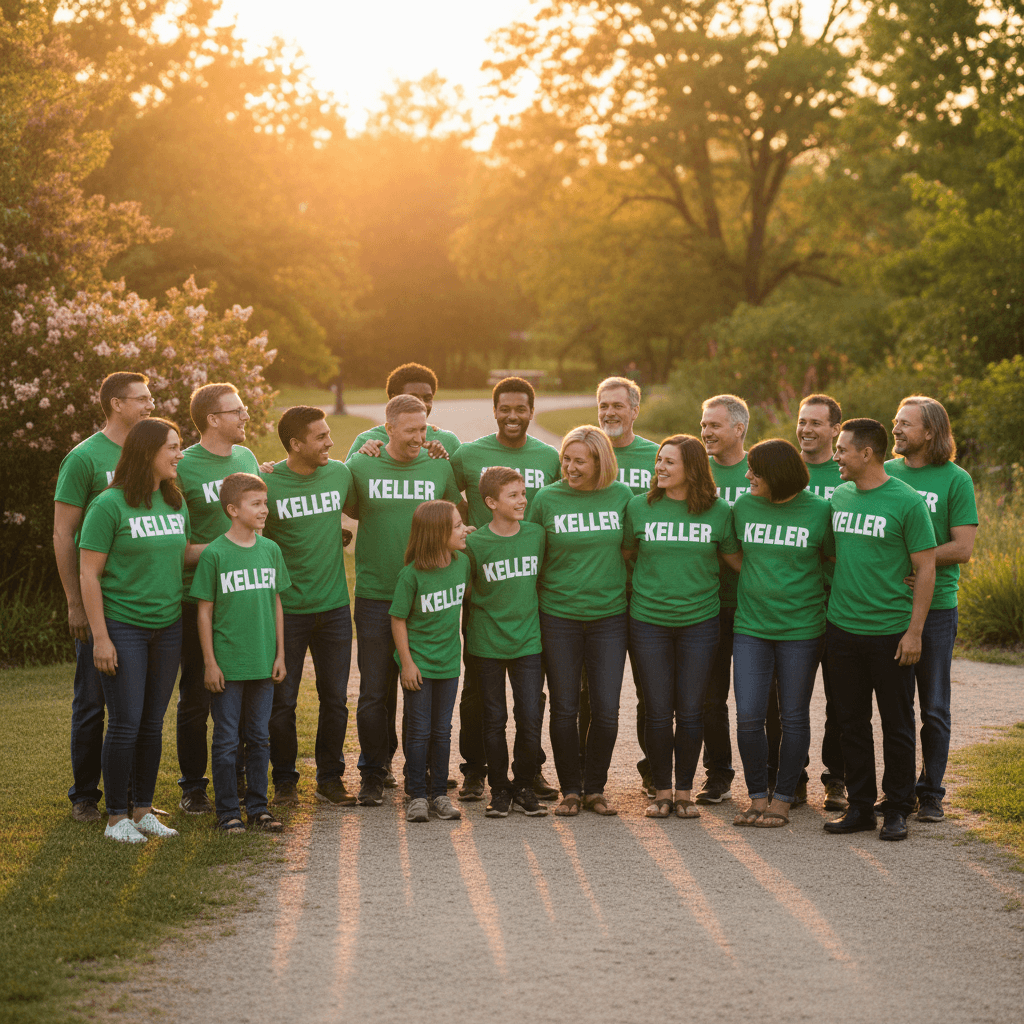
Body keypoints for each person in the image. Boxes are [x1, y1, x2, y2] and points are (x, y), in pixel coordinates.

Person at [78, 417, 201, 843]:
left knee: (151, 723)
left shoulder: (174, 501)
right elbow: (89, 574)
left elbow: (182, 553)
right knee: (126, 722)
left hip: (167, 627)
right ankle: (116, 819)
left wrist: (239, 543)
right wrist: (101, 637)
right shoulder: (108, 505)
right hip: (122, 626)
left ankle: (143, 810)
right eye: (172, 446)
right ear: (147, 451)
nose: (179, 454)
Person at [346, 394, 463, 806]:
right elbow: (346, 506)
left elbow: (456, 518)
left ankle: (426, 775)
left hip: (430, 597)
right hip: (378, 594)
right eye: (410, 429)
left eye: (424, 429)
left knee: (424, 685)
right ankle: (374, 773)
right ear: (388, 428)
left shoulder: (438, 465)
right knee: (375, 692)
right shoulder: (361, 463)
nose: (419, 436)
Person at [824, 418, 937, 842]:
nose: (836, 456)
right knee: (851, 722)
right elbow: (833, 556)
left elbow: (925, 568)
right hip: (842, 630)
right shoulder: (838, 496)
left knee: (897, 724)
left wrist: (915, 632)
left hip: (890, 632)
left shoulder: (906, 502)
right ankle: (859, 807)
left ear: (866, 453)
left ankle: (896, 808)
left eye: (842, 449)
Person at [450, 376, 560, 801]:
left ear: (532, 411)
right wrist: (466, 531)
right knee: (478, 691)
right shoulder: (469, 454)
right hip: (484, 581)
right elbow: (448, 495)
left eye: (521, 409)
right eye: (504, 409)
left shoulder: (549, 456)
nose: (512, 416)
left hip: (524, 591)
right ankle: (477, 769)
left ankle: (530, 772)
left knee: (532, 698)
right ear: (494, 410)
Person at [54, 371, 154, 822]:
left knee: (134, 707)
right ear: (116, 403)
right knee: (93, 701)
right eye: (142, 399)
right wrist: (74, 601)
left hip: (142, 606)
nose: (150, 405)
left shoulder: (148, 452)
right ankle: (85, 797)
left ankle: (133, 797)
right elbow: (64, 532)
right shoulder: (85, 459)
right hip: (101, 604)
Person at [622, 435, 737, 819]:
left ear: (692, 468)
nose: (660, 468)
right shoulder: (639, 507)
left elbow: (737, 561)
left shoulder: (719, 512)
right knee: (656, 711)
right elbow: (626, 553)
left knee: (691, 711)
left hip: (700, 624)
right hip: (648, 622)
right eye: (659, 460)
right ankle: (662, 791)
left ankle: (685, 791)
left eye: (669, 462)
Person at [528, 426, 632, 816]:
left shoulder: (622, 497)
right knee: (564, 708)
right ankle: (571, 789)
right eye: (566, 460)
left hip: (608, 618)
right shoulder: (547, 498)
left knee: (606, 709)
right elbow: (533, 554)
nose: (569, 467)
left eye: (578, 461)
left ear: (599, 461)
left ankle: (595, 788)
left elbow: (628, 549)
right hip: (559, 617)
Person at [728, 439, 833, 829]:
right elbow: (732, 550)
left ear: (778, 474)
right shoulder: (743, 506)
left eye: (755, 470)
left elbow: (834, 559)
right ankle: (757, 796)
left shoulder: (821, 510)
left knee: (793, 717)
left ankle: (784, 799)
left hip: (801, 630)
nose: (747, 475)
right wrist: (759, 579)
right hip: (752, 628)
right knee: (750, 716)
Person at [887, 396, 977, 822]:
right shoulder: (885, 473)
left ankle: (932, 791)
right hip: (887, 608)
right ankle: (899, 790)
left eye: (907, 424)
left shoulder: (955, 479)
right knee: (895, 705)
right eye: (896, 422)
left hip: (938, 608)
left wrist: (921, 560)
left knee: (934, 707)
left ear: (930, 432)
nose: (897, 430)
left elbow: (963, 546)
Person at [261, 406, 356, 808]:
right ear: (295, 444)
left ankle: (330, 778)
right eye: (320, 437)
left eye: (329, 434)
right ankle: (284, 780)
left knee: (335, 697)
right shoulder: (267, 484)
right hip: (288, 610)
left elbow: (360, 511)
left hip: (335, 607)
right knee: (282, 700)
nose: (330, 443)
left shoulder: (340, 473)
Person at [175, 383, 260, 815]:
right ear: (213, 418)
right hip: (197, 597)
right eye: (238, 410)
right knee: (196, 694)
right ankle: (193, 786)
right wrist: (223, 551)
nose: (246, 416)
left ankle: (239, 775)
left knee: (245, 686)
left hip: (246, 596)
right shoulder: (183, 466)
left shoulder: (246, 460)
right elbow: (175, 543)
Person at [191, 473, 290, 833]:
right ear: (233, 509)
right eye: (256, 504)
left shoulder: (271, 550)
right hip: (228, 666)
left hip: (264, 663)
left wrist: (280, 655)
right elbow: (204, 612)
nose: (265, 509)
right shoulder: (215, 554)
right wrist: (210, 663)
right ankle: (228, 812)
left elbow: (277, 603)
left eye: (265, 502)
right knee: (227, 739)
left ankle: (259, 808)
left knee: (259, 737)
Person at [764, 394, 847, 811]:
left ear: (836, 428)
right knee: (782, 700)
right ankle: (790, 777)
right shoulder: (782, 470)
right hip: (793, 605)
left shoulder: (848, 471)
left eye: (817, 423)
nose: (807, 429)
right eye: (802, 421)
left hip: (840, 601)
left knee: (841, 697)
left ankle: (836, 778)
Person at [465, 468, 549, 818]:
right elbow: (466, 590)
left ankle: (525, 786)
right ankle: (499, 789)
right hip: (486, 643)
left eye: (523, 492)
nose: (522, 500)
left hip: (528, 642)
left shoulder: (536, 535)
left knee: (530, 717)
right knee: (494, 719)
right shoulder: (474, 543)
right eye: (513, 495)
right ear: (490, 502)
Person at [593, 376, 661, 796]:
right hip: (599, 592)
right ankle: (585, 772)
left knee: (651, 689)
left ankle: (654, 769)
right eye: (603, 405)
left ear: (635, 409)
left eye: (618, 405)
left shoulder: (656, 455)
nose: (610, 413)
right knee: (592, 691)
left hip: (648, 590)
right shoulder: (582, 453)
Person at [390, 501, 470, 822]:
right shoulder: (411, 575)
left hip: (449, 664)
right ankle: (416, 794)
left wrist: (464, 532)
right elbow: (397, 620)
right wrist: (407, 663)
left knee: (442, 730)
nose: (464, 530)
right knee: (420, 730)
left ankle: (439, 793)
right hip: (419, 666)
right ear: (437, 534)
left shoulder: (462, 562)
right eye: (457, 525)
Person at [696, 393, 750, 804]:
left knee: (762, 700)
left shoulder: (761, 471)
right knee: (711, 698)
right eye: (703, 424)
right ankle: (718, 775)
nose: (706, 432)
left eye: (714, 425)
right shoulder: (696, 474)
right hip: (709, 605)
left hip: (753, 604)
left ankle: (778, 778)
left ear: (738, 428)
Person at [346, 362, 461, 460]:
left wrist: (444, 460)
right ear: (393, 399)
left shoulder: (448, 441)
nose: (422, 404)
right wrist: (361, 457)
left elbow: (460, 483)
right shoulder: (367, 440)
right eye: (413, 398)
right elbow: (349, 482)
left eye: (427, 398)